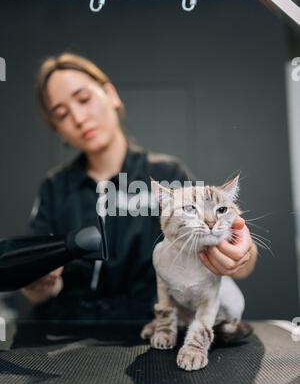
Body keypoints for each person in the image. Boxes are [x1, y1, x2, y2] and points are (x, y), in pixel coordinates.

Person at [22, 53, 257, 321]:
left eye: (84, 99)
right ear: (59, 130)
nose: (78, 117)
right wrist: (39, 281)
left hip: (151, 328)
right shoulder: (55, 188)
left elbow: (236, 257)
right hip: (70, 331)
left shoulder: (167, 175)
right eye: (62, 114)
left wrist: (241, 253)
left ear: (111, 94)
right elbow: (37, 292)